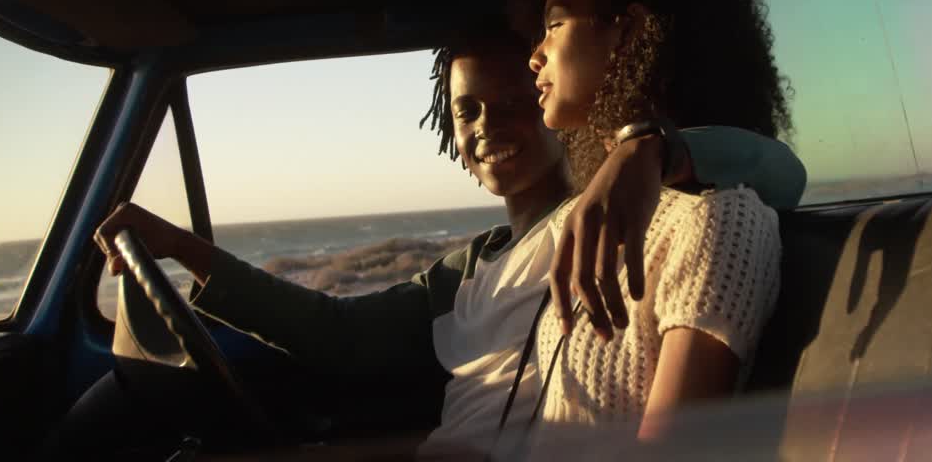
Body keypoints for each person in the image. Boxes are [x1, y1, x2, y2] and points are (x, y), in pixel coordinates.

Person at [94, 25, 804, 458]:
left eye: (515, 106)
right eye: (468, 110)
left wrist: (647, 152)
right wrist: (182, 250)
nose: (489, 126)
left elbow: (775, 171)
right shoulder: (471, 265)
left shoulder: (606, 219)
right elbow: (337, 334)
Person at [520, 0, 789, 444]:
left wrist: (649, 146)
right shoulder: (596, 214)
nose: (535, 54)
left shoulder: (719, 221)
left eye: (554, 22)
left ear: (627, 32)